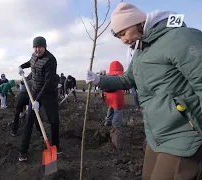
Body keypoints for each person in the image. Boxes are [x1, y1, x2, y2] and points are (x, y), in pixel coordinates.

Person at [86, 2, 202, 179]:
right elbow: (127, 79)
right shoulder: (141, 50)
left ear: (138, 21)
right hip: (156, 134)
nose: (123, 40)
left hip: (183, 134)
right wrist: (99, 80)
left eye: (124, 33)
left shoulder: (180, 38)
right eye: (119, 37)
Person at [18, 36, 61, 162]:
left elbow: (48, 82)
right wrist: (21, 66)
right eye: (35, 47)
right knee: (29, 120)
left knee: (54, 121)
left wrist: (38, 100)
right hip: (35, 92)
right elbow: (30, 62)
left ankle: (56, 147)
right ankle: (23, 151)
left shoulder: (50, 60)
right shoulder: (33, 56)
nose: (37, 50)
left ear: (45, 47)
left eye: (40, 47)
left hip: (48, 93)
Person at [103, 61, 124, 128]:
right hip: (118, 97)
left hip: (109, 96)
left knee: (111, 108)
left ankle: (108, 121)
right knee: (118, 111)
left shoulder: (108, 75)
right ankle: (116, 126)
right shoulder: (121, 74)